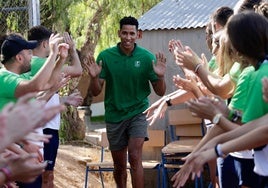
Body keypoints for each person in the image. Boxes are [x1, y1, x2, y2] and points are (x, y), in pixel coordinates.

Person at [172, 11, 268, 188]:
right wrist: (224, 118)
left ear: (237, 46)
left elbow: (255, 133)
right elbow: (254, 125)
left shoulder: (255, 74)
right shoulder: (257, 70)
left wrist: (217, 121)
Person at [85, 16, 166, 188]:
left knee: (135, 157)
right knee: (119, 165)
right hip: (114, 115)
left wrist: (160, 76)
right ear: (119, 33)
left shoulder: (147, 58)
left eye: (132, 33)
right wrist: (93, 78)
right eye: (125, 33)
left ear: (138, 35)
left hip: (138, 112)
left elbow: (161, 91)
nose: (128, 37)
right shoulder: (106, 57)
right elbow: (95, 91)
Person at [27, 25, 83, 188]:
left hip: (47, 126)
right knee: (46, 176)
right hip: (44, 128)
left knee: (46, 175)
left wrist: (64, 99)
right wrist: (72, 50)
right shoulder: (40, 63)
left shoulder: (38, 64)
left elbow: (42, 96)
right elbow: (78, 70)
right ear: (46, 44)